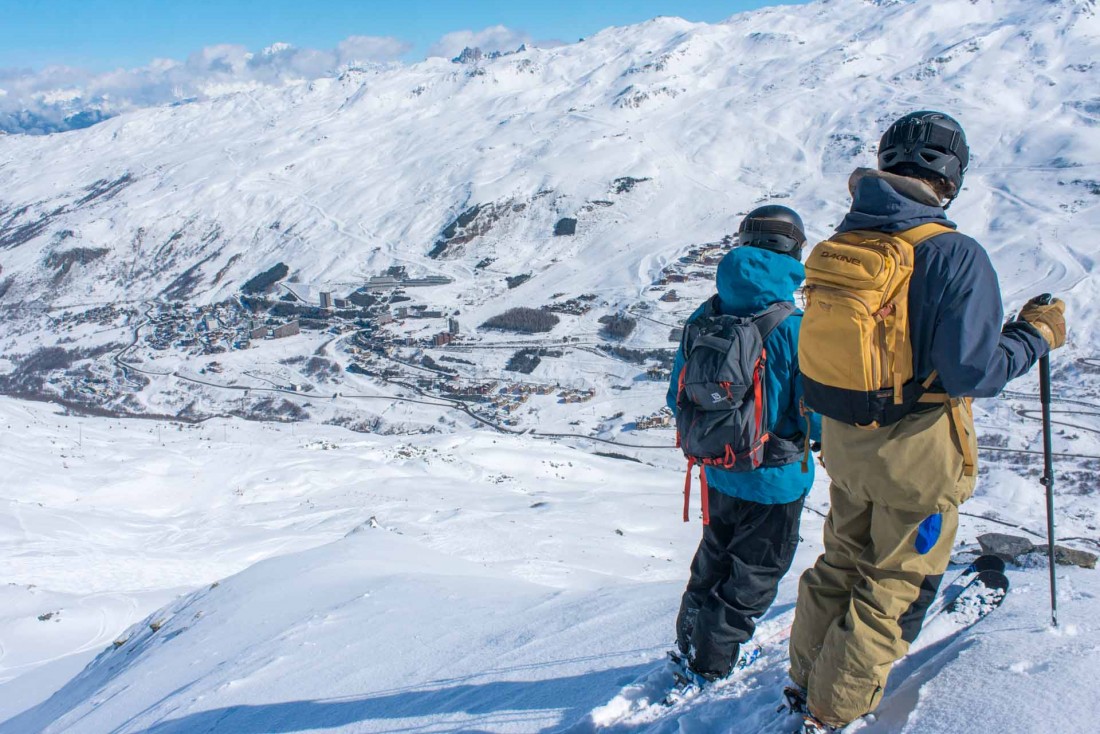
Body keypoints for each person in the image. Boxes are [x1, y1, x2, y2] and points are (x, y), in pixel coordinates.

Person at [787, 111, 1067, 731]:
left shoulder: (848, 241)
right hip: (916, 454)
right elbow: (972, 372)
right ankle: (832, 712)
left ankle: (803, 680)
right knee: (894, 584)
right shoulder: (952, 253)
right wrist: (1034, 336)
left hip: (847, 441)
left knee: (840, 562)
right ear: (952, 174)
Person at [667, 204, 821, 682]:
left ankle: (690, 644)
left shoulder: (707, 313)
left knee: (712, 559)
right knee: (754, 575)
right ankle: (710, 665)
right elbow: (815, 412)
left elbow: (677, 395)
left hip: (719, 466)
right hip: (775, 480)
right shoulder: (795, 326)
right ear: (794, 252)